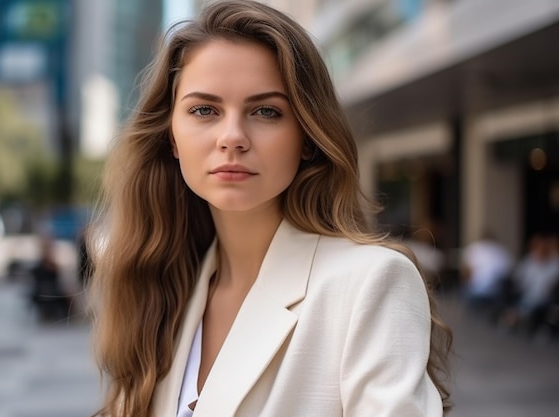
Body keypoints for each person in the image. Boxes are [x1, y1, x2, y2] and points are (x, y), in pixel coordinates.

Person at [88, 1, 451, 416]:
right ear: (172, 136)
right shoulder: (164, 288)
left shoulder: (369, 284)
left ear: (308, 137)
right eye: (204, 110)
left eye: (266, 111)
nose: (232, 137)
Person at [460, 230, 513, 313]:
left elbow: (465, 272)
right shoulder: (502, 251)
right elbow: (507, 274)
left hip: (475, 290)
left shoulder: (473, 249)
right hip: (495, 291)